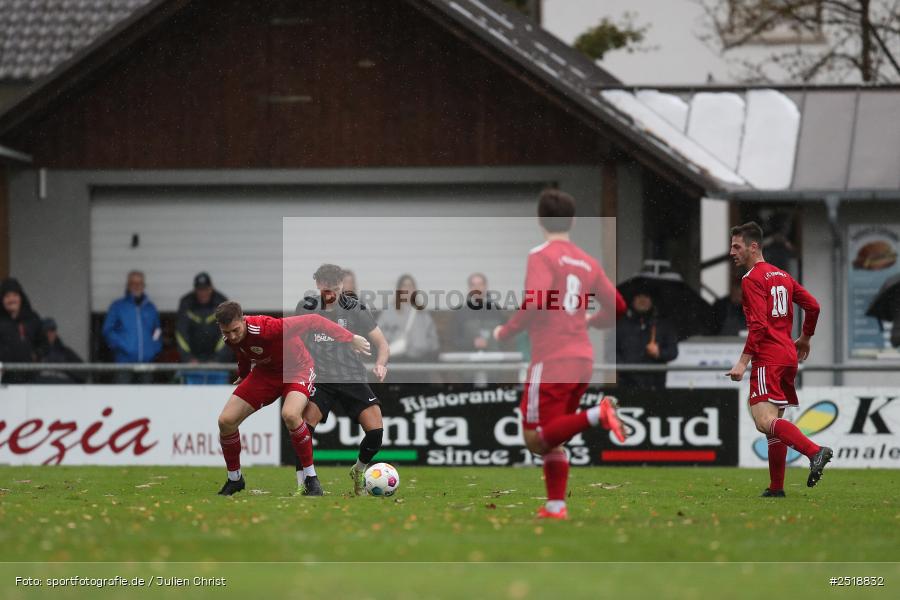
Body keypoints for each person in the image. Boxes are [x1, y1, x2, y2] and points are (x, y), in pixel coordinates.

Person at [493, 188, 627, 520]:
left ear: (540, 219)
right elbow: (618, 307)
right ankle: (556, 506)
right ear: (573, 220)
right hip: (582, 358)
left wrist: (506, 331)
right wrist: (591, 320)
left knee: (535, 438)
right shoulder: (587, 261)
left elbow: (536, 299)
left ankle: (599, 414)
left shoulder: (542, 255)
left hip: (552, 358)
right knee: (554, 435)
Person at [214, 300, 371, 496]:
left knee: (290, 414)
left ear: (243, 320)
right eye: (227, 332)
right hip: (266, 374)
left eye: (235, 330)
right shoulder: (229, 337)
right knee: (225, 421)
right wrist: (244, 373)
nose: (232, 336)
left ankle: (311, 479)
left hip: (298, 369)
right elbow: (243, 351)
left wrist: (349, 337)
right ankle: (234, 479)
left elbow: (314, 320)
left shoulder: (269, 327)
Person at [726, 221, 832, 496]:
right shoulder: (782, 276)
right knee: (774, 426)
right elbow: (814, 306)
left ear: (753, 246)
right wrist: (805, 337)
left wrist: (742, 362)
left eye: (737, 246)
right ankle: (776, 488)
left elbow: (759, 327)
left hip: (768, 356)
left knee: (763, 420)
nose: (732, 252)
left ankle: (814, 451)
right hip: (787, 355)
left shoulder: (751, 279)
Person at [294, 264, 391, 495]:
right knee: (303, 430)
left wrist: (380, 364)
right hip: (320, 379)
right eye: (328, 288)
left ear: (342, 286)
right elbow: (292, 339)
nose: (332, 293)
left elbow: (382, 343)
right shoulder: (306, 308)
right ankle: (302, 484)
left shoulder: (355, 308)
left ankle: (358, 470)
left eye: (337, 288)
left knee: (376, 432)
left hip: (352, 377)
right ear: (318, 285)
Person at [101, 270, 161, 383]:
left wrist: (153, 348)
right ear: (128, 285)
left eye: (140, 283)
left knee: (145, 398)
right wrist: (123, 346)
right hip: (124, 363)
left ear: (144, 286)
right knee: (122, 398)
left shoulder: (151, 308)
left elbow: (157, 331)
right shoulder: (118, 306)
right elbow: (107, 331)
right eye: (133, 283)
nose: (137, 286)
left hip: (146, 363)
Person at [615, 289, 679, 391]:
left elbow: (673, 352)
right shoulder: (620, 324)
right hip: (627, 384)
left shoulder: (663, 324)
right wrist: (624, 366)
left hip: (655, 385)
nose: (642, 300)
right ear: (632, 300)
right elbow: (611, 352)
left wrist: (659, 353)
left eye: (646, 296)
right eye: (638, 296)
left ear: (652, 300)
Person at [176, 272, 230, 382]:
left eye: (205, 289)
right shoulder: (186, 302)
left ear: (211, 288)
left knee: (218, 398)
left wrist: (217, 360)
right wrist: (188, 358)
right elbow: (181, 333)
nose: (203, 293)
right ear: (195, 290)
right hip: (192, 364)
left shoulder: (222, 302)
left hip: (217, 365)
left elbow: (227, 333)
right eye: (199, 289)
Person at [376, 274, 439, 364]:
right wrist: (395, 337)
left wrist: (425, 346)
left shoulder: (422, 312)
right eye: (404, 286)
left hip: (421, 359)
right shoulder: (389, 311)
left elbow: (432, 337)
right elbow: (378, 333)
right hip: (397, 359)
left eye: (410, 286)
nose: (408, 289)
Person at [0, 277, 45, 383]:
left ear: (21, 297)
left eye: (15, 295)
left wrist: (36, 355)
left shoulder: (32, 318)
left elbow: (44, 344)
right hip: (3, 379)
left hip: (29, 379)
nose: (11, 300)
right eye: (7, 296)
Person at [450, 272, 505, 352]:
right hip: (468, 362)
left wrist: (490, 343)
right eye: (473, 285)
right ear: (469, 288)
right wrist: (472, 343)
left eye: (480, 284)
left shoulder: (497, 313)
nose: (477, 288)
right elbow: (454, 340)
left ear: (486, 287)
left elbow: (506, 338)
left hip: (494, 361)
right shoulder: (460, 314)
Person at [35, 318, 84, 383]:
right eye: (46, 331)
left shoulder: (65, 352)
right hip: (41, 387)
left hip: (63, 388)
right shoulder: (37, 352)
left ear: (55, 332)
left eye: (52, 330)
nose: (49, 334)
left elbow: (83, 372)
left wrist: (64, 366)